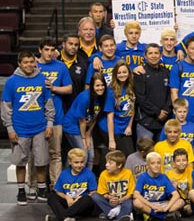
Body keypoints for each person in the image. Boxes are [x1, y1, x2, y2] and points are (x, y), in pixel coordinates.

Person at [1, 51, 54, 205]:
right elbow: (6, 107)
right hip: (19, 130)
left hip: (40, 128)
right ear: (19, 63)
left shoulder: (42, 79)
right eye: (25, 62)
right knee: (20, 162)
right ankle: (21, 191)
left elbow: (48, 104)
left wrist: (49, 124)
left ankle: (42, 188)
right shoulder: (11, 82)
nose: (29, 65)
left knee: (41, 160)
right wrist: (10, 129)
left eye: (31, 61)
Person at [36, 38, 72, 189]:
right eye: (46, 50)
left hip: (57, 117)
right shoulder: (33, 66)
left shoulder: (61, 66)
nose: (49, 53)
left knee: (55, 153)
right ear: (40, 50)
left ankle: (55, 186)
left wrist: (53, 89)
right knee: (35, 155)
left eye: (52, 50)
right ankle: (35, 186)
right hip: (36, 118)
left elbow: (69, 89)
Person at [63, 72, 114, 171]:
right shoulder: (85, 98)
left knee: (91, 156)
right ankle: (68, 178)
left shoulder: (104, 96)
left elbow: (95, 116)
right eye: (97, 86)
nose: (100, 88)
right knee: (83, 155)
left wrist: (88, 133)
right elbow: (81, 120)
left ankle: (87, 180)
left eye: (102, 85)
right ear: (92, 86)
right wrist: (83, 138)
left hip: (86, 127)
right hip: (73, 126)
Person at [45, 148, 98, 221]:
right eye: (76, 162)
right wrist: (67, 197)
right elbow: (58, 191)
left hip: (83, 204)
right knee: (52, 197)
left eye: (82, 162)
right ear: (70, 162)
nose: (79, 165)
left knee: (87, 199)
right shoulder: (64, 174)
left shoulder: (89, 174)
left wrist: (79, 198)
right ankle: (66, 218)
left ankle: (59, 218)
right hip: (69, 203)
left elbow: (93, 193)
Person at [134, 43, 172, 141]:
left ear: (160, 55)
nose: (153, 56)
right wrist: (157, 112)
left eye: (156, 53)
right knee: (144, 154)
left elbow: (170, 94)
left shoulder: (166, 72)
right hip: (146, 122)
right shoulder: (140, 73)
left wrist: (165, 111)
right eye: (150, 53)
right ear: (145, 56)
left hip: (164, 121)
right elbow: (140, 98)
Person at [132, 152, 184, 221]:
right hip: (148, 204)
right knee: (136, 202)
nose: (156, 165)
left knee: (181, 202)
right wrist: (152, 206)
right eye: (153, 163)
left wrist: (165, 208)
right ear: (147, 165)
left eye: (158, 163)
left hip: (162, 203)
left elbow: (176, 195)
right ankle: (163, 216)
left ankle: (152, 215)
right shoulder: (143, 177)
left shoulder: (164, 177)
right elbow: (136, 194)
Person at [91, 150, 135, 221]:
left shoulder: (128, 173)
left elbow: (130, 193)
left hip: (123, 201)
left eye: (110, 163)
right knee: (94, 195)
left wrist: (120, 200)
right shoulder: (104, 174)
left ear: (119, 165)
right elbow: (102, 193)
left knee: (128, 203)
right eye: (106, 162)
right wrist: (109, 197)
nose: (106, 165)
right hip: (110, 202)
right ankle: (122, 215)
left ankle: (118, 219)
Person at [107, 61, 136, 156]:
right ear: (115, 74)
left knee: (130, 155)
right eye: (119, 73)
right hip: (115, 128)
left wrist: (129, 126)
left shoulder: (131, 87)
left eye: (124, 72)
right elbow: (110, 117)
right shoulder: (111, 91)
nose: (122, 75)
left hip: (125, 127)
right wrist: (111, 140)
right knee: (122, 156)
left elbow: (132, 108)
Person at [57, 33, 89, 112]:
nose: (73, 47)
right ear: (63, 44)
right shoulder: (55, 60)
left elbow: (86, 86)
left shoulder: (84, 63)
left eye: (76, 45)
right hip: (57, 107)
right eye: (70, 44)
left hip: (76, 108)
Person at [165, 148, 194, 216]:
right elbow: (167, 195)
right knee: (180, 202)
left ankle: (174, 213)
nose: (181, 163)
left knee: (189, 210)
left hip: (189, 201)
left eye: (184, 160)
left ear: (187, 161)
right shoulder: (169, 175)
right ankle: (164, 213)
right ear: (174, 163)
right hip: (176, 200)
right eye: (178, 161)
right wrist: (173, 188)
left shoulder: (191, 170)